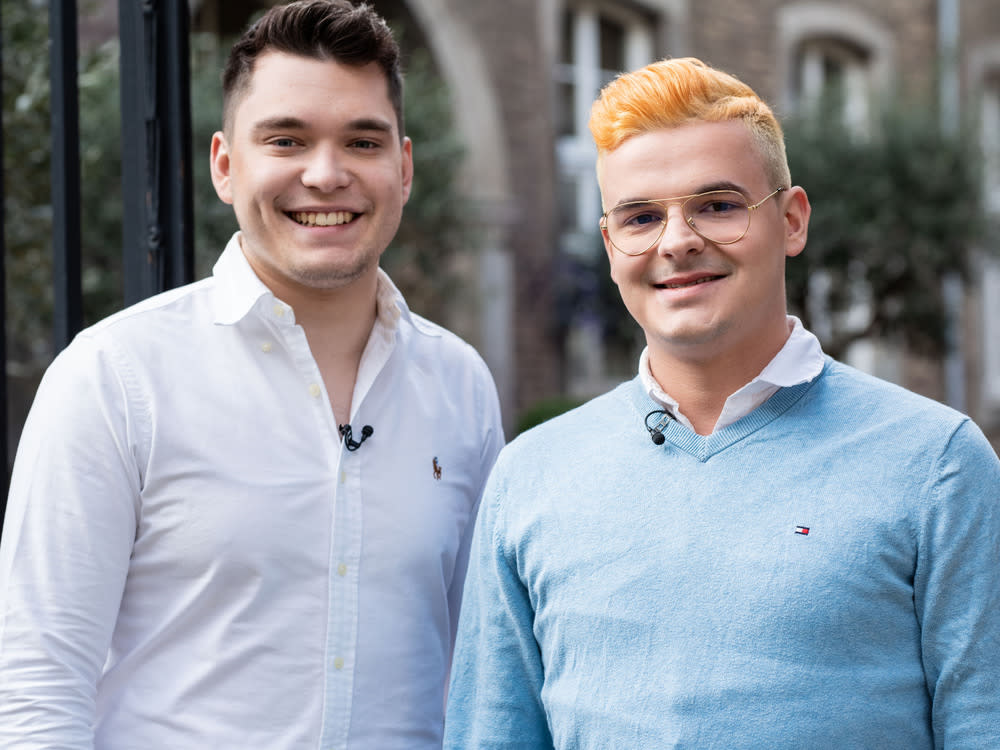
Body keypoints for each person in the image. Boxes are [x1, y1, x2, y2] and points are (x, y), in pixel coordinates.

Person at [444, 57, 1000, 749]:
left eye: (717, 206)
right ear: (611, 243)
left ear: (791, 221)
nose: (678, 242)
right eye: (642, 216)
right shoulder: (530, 477)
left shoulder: (937, 465)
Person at [0, 2, 504, 747]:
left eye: (361, 141)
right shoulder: (113, 377)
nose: (326, 174)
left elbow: (480, 668)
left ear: (402, 167)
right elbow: (36, 682)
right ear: (225, 166)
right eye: (287, 140)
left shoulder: (461, 385)